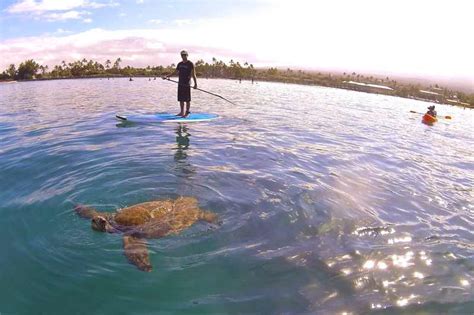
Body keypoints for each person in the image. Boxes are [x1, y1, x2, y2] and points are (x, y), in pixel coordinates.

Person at [163, 50, 197, 117]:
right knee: (181, 99)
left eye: (185, 55)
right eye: (182, 55)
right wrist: (166, 76)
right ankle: (182, 112)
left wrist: (195, 84)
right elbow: (174, 72)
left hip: (187, 83)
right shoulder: (180, 64)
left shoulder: (190, 64)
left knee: (187, 99)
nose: (183, 56)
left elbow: (194, 74)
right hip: (180, 83)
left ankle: (187, 112)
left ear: (187, 55)